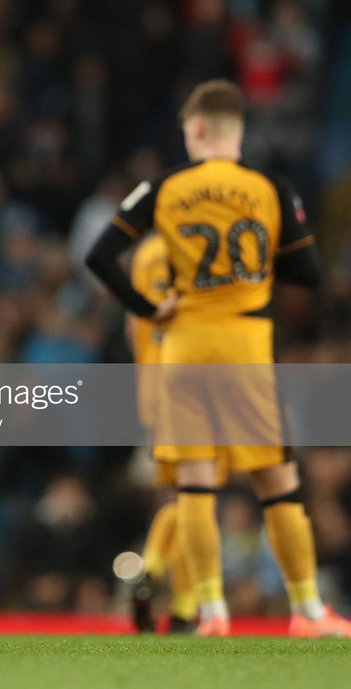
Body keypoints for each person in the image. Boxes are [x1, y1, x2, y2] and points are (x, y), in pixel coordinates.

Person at [85, 79, 351, 639]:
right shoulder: (270, 188)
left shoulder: (164, 187)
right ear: (238, 132)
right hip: (244, 346)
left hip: (184, 346)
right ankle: (309, 611)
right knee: (278, 484)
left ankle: (211, 612)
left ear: (195, 130)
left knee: (193, 488)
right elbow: (309, 274)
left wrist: (151, 307)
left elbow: (102, 256)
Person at [120, 233, 199, 633]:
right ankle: (163, 579)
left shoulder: (146, 255)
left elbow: (134, 325)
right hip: (195, 386)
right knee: (196, 500)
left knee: (181, 498)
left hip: (153, 390)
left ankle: (180, 606)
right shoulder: (200, 250)